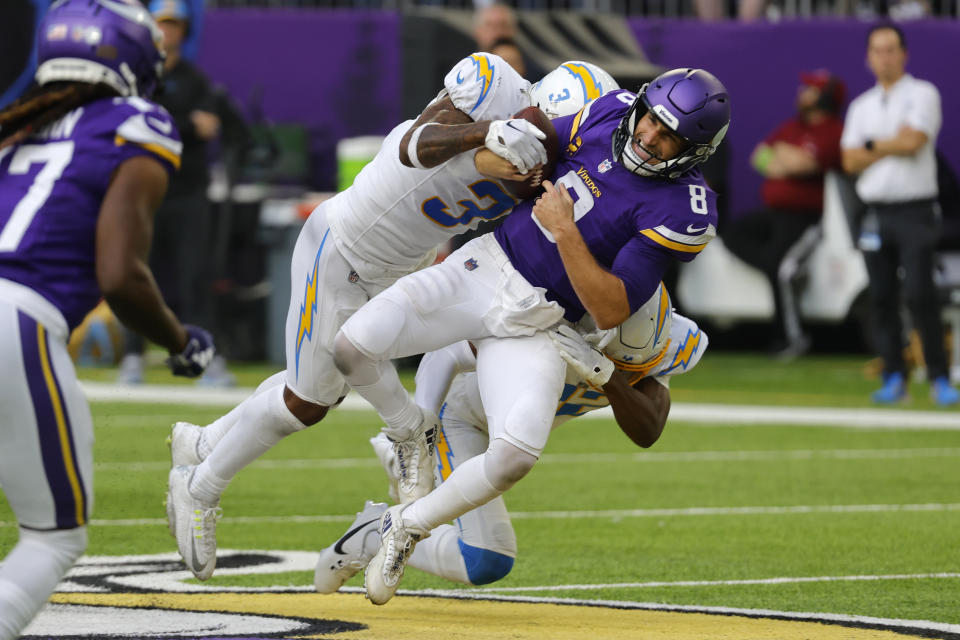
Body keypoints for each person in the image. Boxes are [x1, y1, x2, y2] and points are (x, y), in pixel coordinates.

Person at [163, 53, 590, 581]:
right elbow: (417, 145)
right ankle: (201, 485)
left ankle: (203, 443)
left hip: (400, 262)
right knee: (308, 401)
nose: (560, 146)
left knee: (320, 380)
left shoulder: (550, 159)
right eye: (560, 129)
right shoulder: (494, 88)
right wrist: (487, 131)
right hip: (347, 249)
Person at [330, 68, 730, 604]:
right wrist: (515, 139)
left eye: (669, 137)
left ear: (694, 152)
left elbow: (609, 306)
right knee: (351, 347)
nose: (650, 139)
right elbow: (540, 129)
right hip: (489, 265)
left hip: (545, 318)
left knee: (517, 454)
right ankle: (409, 435)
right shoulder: (609, 110)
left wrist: (565, 230)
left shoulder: (684, 209)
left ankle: (406, 527)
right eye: (653, 122)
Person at [0, 2, 215, 638]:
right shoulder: (136, 122)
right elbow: (121, 275)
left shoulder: (17, 126)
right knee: (53, 536)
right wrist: (180, 341)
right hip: (16, 317)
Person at [315, 284, 708, 592]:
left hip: (510, 436)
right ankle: (374, 533)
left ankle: (382, 521)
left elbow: (648, 429)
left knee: (487, 545)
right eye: (621, 362)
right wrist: (424, 432)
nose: (633, 367)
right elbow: (446, 355)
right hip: (464, 419)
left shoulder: (669, 338)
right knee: (487, 559)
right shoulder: (549, 322)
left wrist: (609, 377)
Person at [840, 23, 959, 406]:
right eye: (878, 50)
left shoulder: (922, 93)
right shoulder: (862, 105)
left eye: (891, 49)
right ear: (868, 57)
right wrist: (889, 144)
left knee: (921, 293)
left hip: (915, 209)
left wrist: (872, 146)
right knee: (881, 296)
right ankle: (895, 376)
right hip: (876, 210)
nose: (885, 57)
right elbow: (848, 159)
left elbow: (914, 142)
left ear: (904, 53)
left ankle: (939, 377)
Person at [117, 0, 231, 386]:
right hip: (143, 193)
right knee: (134, 272)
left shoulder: (196, 80)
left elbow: (207, 127)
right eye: (162, 24)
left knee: (196, 275)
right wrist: (185, 124)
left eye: (174, 25)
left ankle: (206, 357)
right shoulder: (135, 78)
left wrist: (167, 123)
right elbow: (137, 125)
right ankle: (133, 357)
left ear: (184, 30)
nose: (168, 32)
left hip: (187, 193)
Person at [723, 70, 846, 360]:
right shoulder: (793, 127)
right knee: (734, 234)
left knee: (782, 268)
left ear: (825, 97)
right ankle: (772, 267)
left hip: (804, 217)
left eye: (811, 89)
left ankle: (792, 338)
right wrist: (786, 158)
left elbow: (806, 165)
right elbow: (759, 156)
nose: (802, 92)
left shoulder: (834, 131)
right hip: (773, 213)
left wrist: (784, 157)